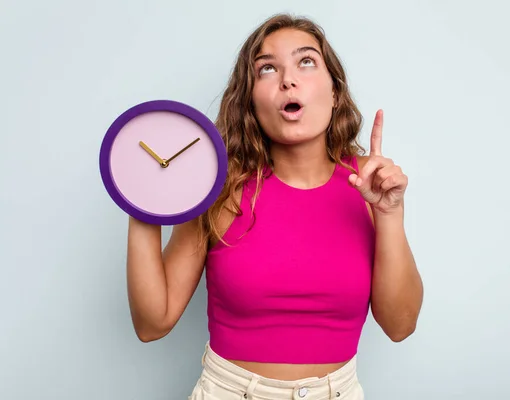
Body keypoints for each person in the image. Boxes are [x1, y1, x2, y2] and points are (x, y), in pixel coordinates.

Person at [125, 13, 424, 400]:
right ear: (250, 99)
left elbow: (400, 326)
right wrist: (140, 204)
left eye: (306, 61)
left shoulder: (368, 183)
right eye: (267, 69)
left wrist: (389, 214)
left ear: (335, 92)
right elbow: (153, 323)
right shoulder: (220, 188)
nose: (288, 79)